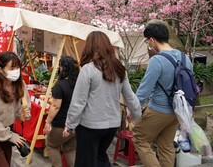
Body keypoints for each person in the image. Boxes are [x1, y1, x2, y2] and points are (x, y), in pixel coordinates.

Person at [64, 31, 141, 167]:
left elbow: (78, 102)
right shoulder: (119, 69)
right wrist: (136, 115)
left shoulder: (88, 70)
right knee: (101, 157)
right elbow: (130, 97)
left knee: (85, 161)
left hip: (90, 125)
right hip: (112, 125)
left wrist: (70, 125)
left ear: (89, 47)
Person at [133, 22, 192, 167]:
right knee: (166, 147)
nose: (148, 44)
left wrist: (133, 109)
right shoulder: (185, 58)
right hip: (178, 111)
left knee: (140, 139)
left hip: (158, 110)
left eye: (147, 41)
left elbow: (144, 90)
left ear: (152, 40)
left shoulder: (157, 60)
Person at [43, 56, 79, 167]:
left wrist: (47, 122)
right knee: (70, 149)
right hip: (75, 124)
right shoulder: (79, 84)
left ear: (62, 68)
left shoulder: (60, 85)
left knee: (51, 145)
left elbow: (55, 106)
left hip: (60, 125)